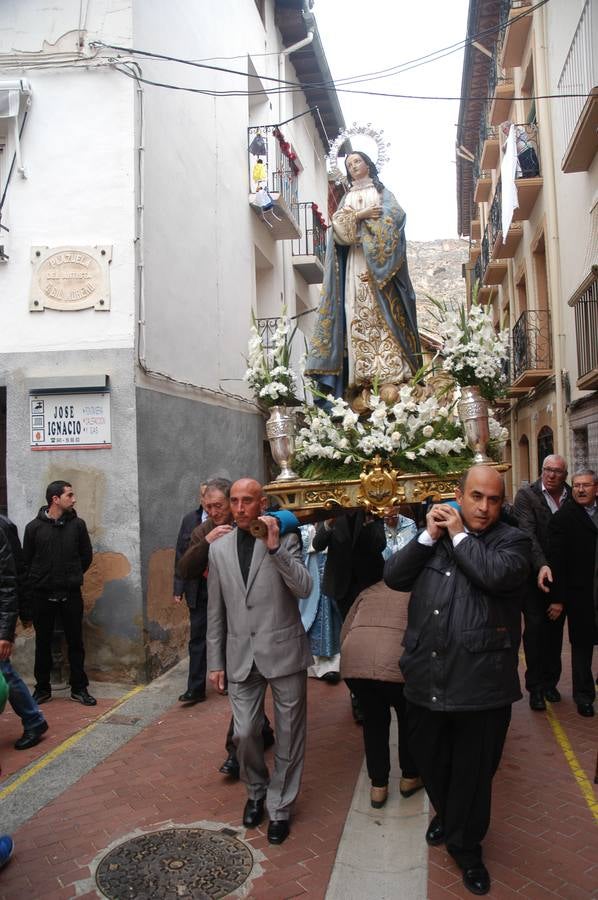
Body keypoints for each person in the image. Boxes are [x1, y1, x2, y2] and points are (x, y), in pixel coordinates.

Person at [384, 465, 531, 897]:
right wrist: (428, 536)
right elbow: (394, 577)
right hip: (425, 676)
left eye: (494, 500)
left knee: (473, 773)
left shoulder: (513, 541)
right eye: (476, 497)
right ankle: (448, 816)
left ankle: (467, 849)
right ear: (458, 495)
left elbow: (494, 575)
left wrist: (458, 537)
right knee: (431, 762)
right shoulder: (435, 539)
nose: (485, 508)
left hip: (481, 686)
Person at [207, 478, 312, 845]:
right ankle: (256, 791)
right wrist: (214, 661)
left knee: (289, 734)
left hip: (283, 650)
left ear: (262, 503)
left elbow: (304, 588)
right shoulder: (217, 549)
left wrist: (274, 549)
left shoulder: (286, 538)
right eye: (234, 501)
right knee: (245, 733)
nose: (238, 508)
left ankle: (280, 806)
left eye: (246, 500)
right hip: (239, 655)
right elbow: (215, 610)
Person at [305, 150, 421, 403]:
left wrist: (370, 230)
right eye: (349, 164)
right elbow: (340, 229)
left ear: (368, 164)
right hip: (355, 267)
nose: (354, 166)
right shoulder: (348, 197)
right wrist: (362, 215)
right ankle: (363, 379)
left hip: (379, 269)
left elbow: (396, 218)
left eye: (357, 161)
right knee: (356, 313)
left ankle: (394, 376)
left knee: (385, 317)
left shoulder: (382, 193)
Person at [178, 478, 275, 779]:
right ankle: (240, 750)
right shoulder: (203, 529)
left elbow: (286, 520)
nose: (215, 512)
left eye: (220, 505)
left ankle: (250, 739)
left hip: (258, 618)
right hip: (218, 611)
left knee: (247, 684)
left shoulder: (255, 522)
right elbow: (185, 568)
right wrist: (207, 543)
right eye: (208, 507)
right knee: (240, 684)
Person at [341, 579, 422, 809]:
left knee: (374, 721)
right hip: (396, 664)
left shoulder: (368, 589)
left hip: (356, 663)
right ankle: (409, 777)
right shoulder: (418, 591)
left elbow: (346, 629)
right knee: (407, 718)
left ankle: (378, 787)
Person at [23, 480, 95, 706]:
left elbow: (86, 557)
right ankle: (42, 688)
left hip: (71, 593)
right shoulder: (33, 528)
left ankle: (79, 688)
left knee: (76, 643)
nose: (74, 499)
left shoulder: (78, 525)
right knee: (42, 643)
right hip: (42, 595)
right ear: (55, 499)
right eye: (69, 495)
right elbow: (27, 561)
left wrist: (71, 575)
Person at [313, 510, 386, 721]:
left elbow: (379, 544)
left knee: (368, 640)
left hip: (369, 586)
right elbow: (318, 544)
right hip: (342, 587)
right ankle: (356, 693)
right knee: (350, 642)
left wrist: (371, 521)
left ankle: (372, 688)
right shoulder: (332, 511)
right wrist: (328, 523)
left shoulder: (373, 510)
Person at [513, 455, 570, 711]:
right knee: (535, 631)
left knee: (555, 632)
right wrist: (542, 565)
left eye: (557, 471)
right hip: (533, 577)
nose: (551, 475)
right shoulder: (527, 495)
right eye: (547, 469)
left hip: (562, 579)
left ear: (564, 475)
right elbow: (527, 534)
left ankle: (550, 683)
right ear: (542, 471)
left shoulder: (571, 496)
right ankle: (535, 687)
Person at [547, 469, 598, 717]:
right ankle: (584, 696)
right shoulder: (563, 519)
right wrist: (558, 598)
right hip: (580, 594)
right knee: (582, 646)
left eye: (586, 485)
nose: (580, 489)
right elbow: (556, 562)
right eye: (576, 485)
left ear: (596, 488)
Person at [0, 515, 48, 750]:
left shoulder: (2, 527)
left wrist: (5, 633)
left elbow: (10, 581)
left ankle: (33, 719)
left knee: (4, 672)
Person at [173, 482, 208, 704]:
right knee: (198, 638)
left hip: (222, 585)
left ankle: (228, 680)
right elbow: (180, 555)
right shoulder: (190, 520)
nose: (206, 499)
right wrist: (178, 588)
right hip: (197, 587)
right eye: (204, 495)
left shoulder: (228, 519)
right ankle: (195, 688)